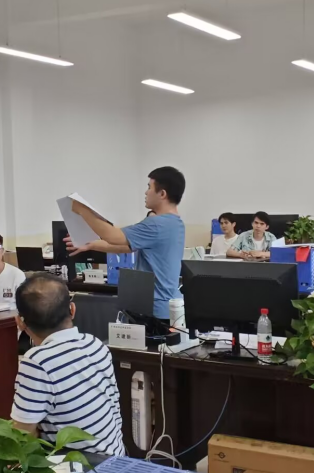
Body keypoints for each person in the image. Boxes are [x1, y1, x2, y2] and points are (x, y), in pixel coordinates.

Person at [11, 274, 125, 456]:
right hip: (115, 455)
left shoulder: (37, 362)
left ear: (20, 322)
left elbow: (23, 434)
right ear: (72, 309)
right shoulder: (94, 343)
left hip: (78, 467)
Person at [68, 167, 186, 319]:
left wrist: (83, 210)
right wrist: (91, 244)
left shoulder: (157, 224)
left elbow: (113, 236)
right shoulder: (175, 223)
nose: (146, 192)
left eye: (149, 187)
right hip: (167, 307)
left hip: (155, 309)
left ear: (162, 194)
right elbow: (126, 247)